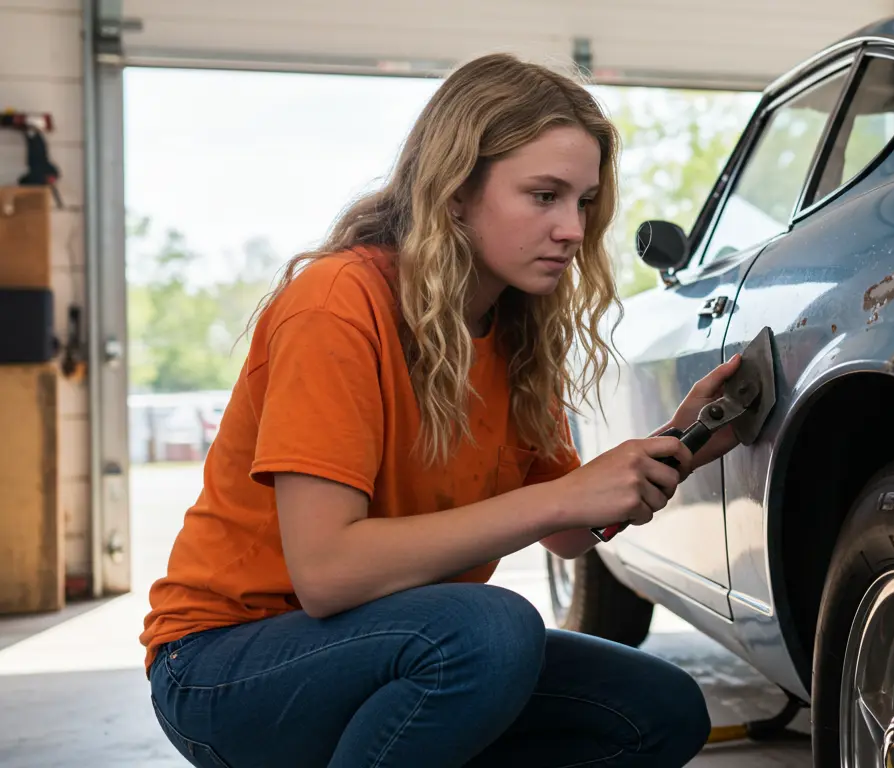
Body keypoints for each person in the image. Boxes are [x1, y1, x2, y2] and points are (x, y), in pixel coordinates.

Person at [139, 52, 744, 768]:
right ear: (455, 193)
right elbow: (328, 573)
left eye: (583, 202)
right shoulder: (339, 303)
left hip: (395, 646)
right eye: (543, 196)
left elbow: (570, 534)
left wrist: (680, 443)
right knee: (489, 632)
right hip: (227, 664)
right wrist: (560, 497)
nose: (574, 231)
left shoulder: (513, 328)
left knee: (657, 710)